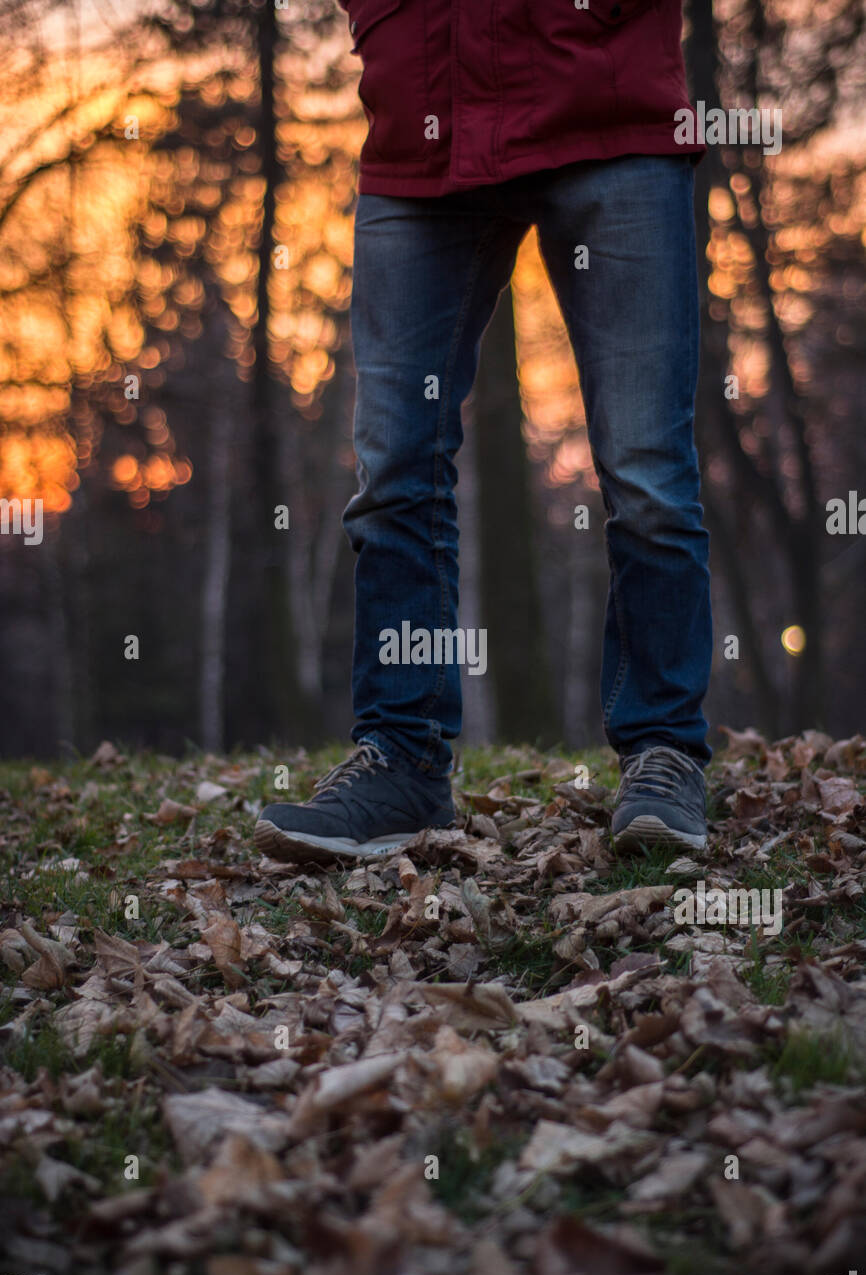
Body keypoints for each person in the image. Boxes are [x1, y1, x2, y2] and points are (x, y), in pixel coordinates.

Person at [254, 0, 712, 864]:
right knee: (392, 469)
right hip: (423, 118)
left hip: (608, 97)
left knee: (647, 469)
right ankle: (403, 761)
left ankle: (664, 753)